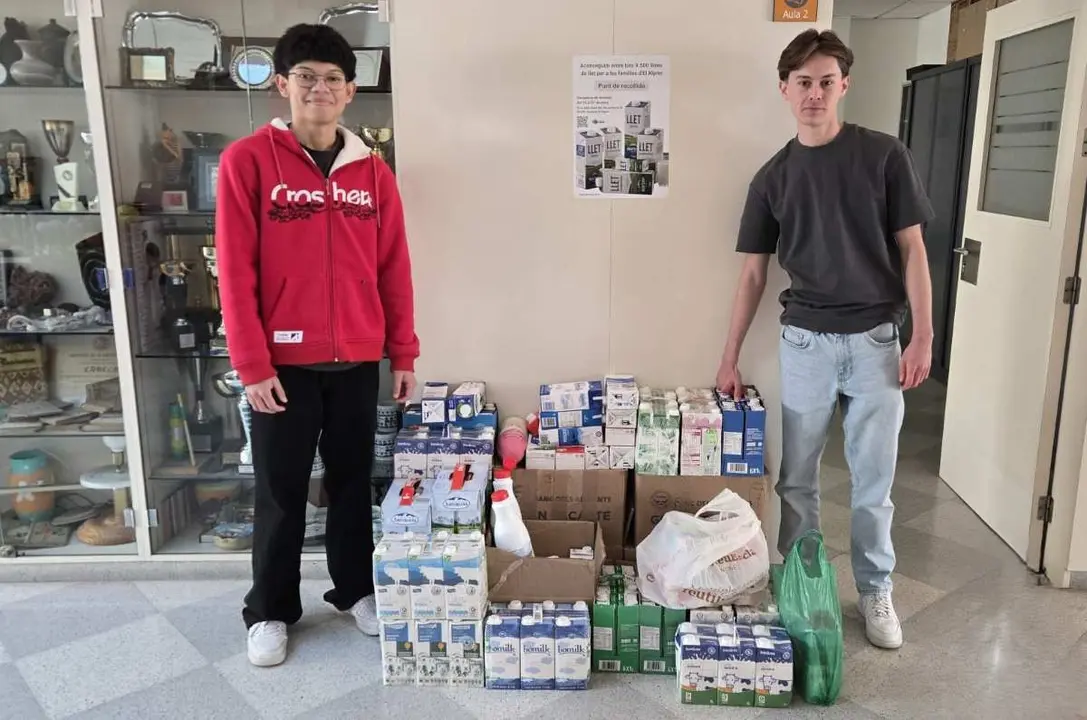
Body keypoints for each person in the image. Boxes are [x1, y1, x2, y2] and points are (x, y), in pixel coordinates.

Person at [715, 29, 934, 650]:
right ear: (784, 90)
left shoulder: (885, 157)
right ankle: (804, 579)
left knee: (874, 480)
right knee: (797, 478)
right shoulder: (772, 177)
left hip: (876, 341)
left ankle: (874, 589)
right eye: (803, 83)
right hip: (805, 341)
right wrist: (728, 358)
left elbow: (913, 249)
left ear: (845, 85)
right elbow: (753, 272)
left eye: (826, 82)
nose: (815, 94)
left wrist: (921, 337)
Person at [216, 23, 419, 667]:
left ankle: (356, 589)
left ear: (350, 91)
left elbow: (394, 267)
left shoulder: (372, 172)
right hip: (281, 365)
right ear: (283, 85)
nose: (320, 89)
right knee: (280, 489)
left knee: (354, 481)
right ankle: (270, 609)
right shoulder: (247, 162)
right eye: (306, 76)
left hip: (357, 357)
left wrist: (403, 353)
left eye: (333, 78)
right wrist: (251, 362)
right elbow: (235, 268)